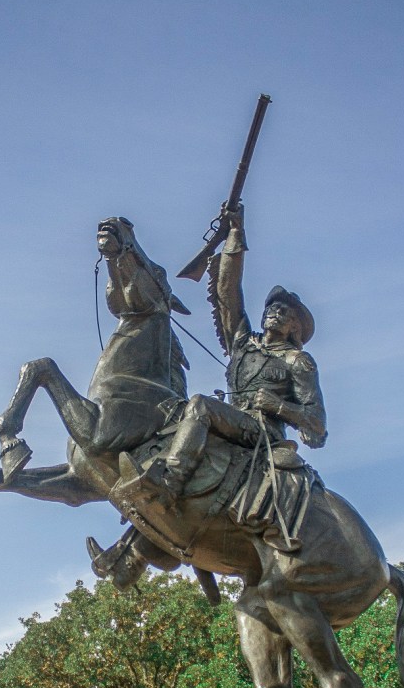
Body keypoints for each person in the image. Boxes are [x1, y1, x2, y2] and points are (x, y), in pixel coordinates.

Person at [122, 202, 327, 505]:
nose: (276, 311)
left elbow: (317, 425)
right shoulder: (243, 341)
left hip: (262, 432)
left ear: (295, 328)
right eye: (273, 307)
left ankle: (171, 479)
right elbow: (228, 292)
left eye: (286, 312)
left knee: (201, 407)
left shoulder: (298, 361)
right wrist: (235, 233)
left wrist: (278, 406)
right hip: (234, 421)